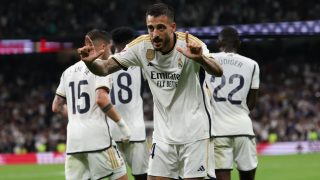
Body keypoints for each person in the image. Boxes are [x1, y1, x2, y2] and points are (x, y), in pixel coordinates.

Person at [78, 3, 223, 180]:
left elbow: (218, 70)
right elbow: (105, 68)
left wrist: (201, 59)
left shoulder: (190, 43)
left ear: (173, 27)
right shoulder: (140, 47)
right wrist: (90, 63)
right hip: (163, 136)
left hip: (195, 133)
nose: (155, 34)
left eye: (161, 28)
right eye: (150, 28)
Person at [52, 29, 131, 180]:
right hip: (98, 139)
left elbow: (56, 106)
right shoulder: (100, 68)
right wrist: (122, 125)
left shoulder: (67, 72)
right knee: (121, 175)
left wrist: (78, 117)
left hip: (74, 142)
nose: (112, 51)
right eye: (110, 47)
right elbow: (101, 99)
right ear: (103, 46)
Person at [205, 27, 260, 180]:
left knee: (222, 174)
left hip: (217, 130)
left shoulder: (207, 59)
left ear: (218, 42)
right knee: (248, 175)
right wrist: (238, 110)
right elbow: (252, 102)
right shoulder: (252, 64)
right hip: (243, 127)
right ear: (239, 43)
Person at [108, 26, 149, 180]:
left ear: (113, 43)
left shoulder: (106, 62)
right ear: (132, 42)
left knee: (116, 176)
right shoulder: (140, 62)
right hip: (135, 130)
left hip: (112, 130)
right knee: (142, 176)